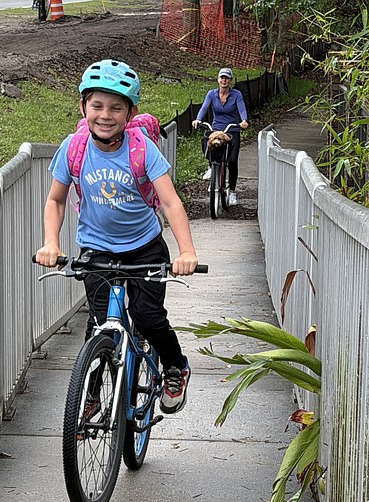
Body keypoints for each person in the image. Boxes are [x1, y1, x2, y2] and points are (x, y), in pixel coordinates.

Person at [34, 59, 199, 414]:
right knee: (98, 325)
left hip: (144, 248)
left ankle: (175, 367)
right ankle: (91, 392)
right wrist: (51, 242)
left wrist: (186, 251)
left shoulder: (142, 149)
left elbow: (170, 202)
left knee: (148, 316)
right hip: (96, 248)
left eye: (116, 107)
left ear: (130, 113)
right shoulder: (74, 148)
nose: (105, 115)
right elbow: (55, 199)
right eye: (96, 105)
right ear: (83, 107)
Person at [192, 67, 249, 205]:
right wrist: (198, 119)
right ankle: (211, 167)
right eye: (222, 77)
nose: (224, 80)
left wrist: (244, 121)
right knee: (207, 142)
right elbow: (204, 108)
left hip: (231, 130)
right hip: (216, 128)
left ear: (230, 80)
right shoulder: (212, 94)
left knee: (233, 161)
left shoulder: (236, 95)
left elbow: (242, 109)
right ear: (218, 79)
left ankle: (233, 193)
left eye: (226, 78)